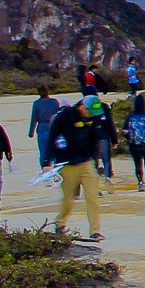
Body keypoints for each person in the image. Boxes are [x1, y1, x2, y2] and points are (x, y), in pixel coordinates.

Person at [45, 96, 111, 241]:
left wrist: (95, 159)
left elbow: (95, 138)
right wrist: (46, 163)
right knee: (69, 199)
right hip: (67, 164)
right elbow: (51, 140)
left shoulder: (94, 118)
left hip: (86, 163)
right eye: (91, 113)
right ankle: (60, 224)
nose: (93, 116)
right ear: (82, 107)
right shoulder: (63, 117)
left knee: (93, 197)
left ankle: (95, 230)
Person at [123, 93, 145, 191]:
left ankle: (141, 183)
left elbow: (124, 131)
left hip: (134, 145)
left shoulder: (131, 117)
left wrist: (130, 139)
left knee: (138, 164)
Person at [27, 86, 62, 167]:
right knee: (56, 149)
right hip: (54, 127)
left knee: (43, 151)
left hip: (42, 129)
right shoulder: (54, 102)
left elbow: (34, 118)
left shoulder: (37, 103)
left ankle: (44, 168)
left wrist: (31, 132)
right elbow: (59, 116)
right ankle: (57, 167)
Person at [91, 94, 118, 189]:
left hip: (93, 139)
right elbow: (110, 124)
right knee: (106, 161)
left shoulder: (87, 109)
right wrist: (114, 140)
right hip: (104, 138)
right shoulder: (104, 107)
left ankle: (95, 185)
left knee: (94, 162)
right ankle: (107, 179)